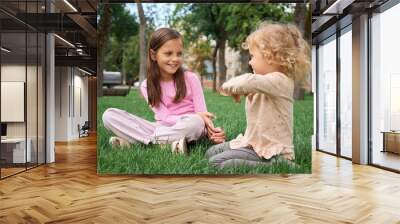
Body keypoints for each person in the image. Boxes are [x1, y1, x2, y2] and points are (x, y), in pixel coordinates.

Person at [102, 28, 225, 154]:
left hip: (189, 126)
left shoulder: (191, 78)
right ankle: (167, 143)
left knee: (196, 122)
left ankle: (142, 141)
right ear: (153, 55)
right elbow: (165, 117)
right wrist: (193, 118)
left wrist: (213, 132)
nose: (175, 59)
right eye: (168, 53)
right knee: (109, 115)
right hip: (161, 128)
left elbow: (202, 115)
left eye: (179, 54)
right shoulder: (147, 85)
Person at [206, 21, 311, 168]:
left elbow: (248, 81)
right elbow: (252, 85)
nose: (250, 62)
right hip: (254, 143)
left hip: (272, 150)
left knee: (217, 163)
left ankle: (279, 163)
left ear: (270, 57)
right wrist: (243, 91)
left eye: (253, 56)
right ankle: (252, 155)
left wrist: (227, 88)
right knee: (211, 153)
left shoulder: (281, 81)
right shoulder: (266, 83)